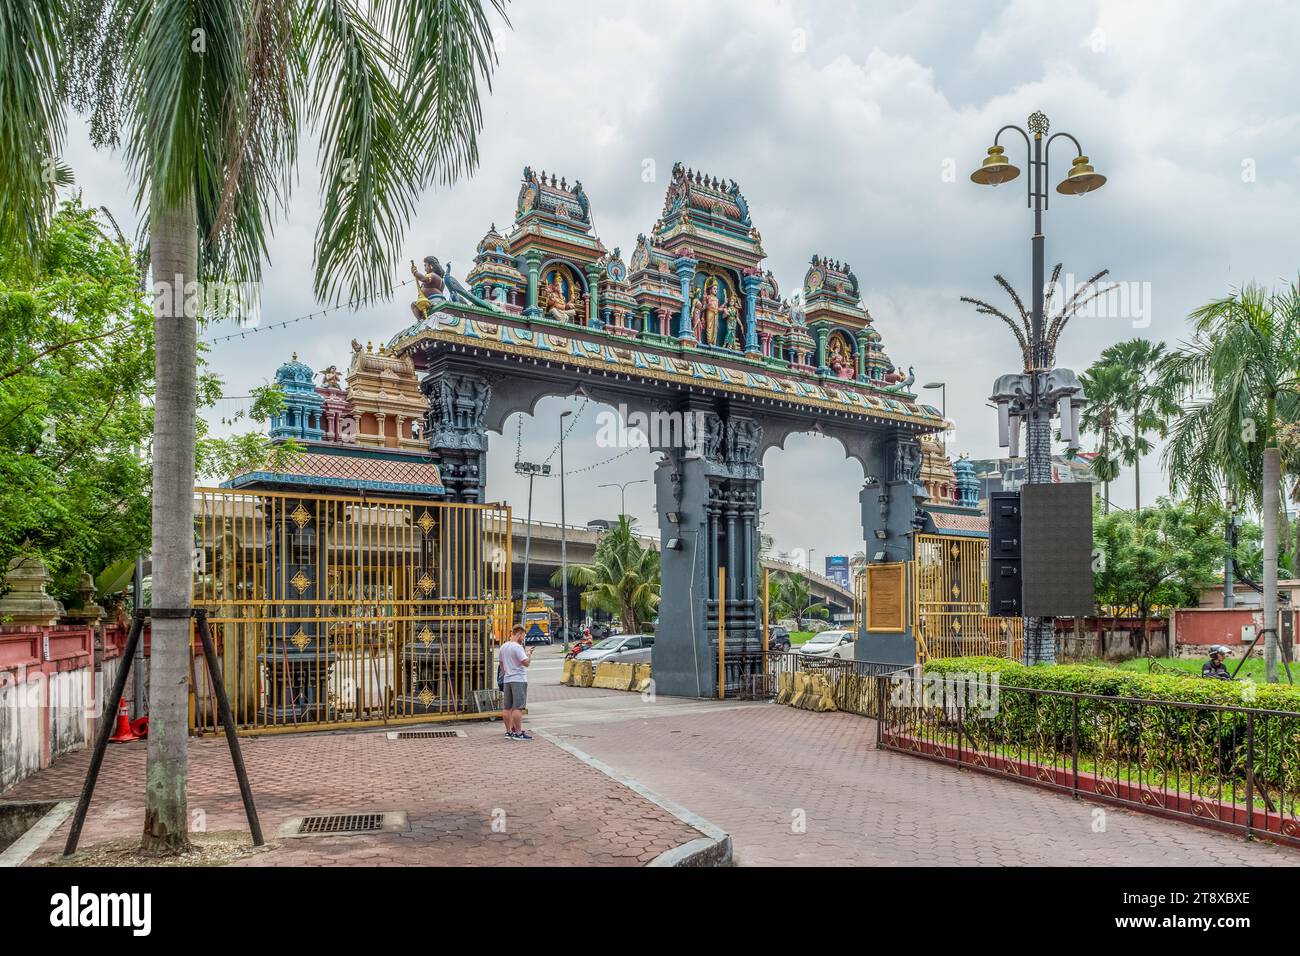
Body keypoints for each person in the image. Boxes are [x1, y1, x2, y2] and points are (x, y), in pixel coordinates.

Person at [499, 624, 534, 739]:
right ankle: (518, 733)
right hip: (518, 679)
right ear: (518, 634)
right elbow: (526, 663)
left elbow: (501, 664)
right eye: (523, 636)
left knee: (507, 707)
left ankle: (509, 731)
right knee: (518, 707)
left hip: (507, 679)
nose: (523, 639)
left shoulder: (503, 647)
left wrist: (506, 673)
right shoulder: (517, 647)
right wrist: (529, 654)